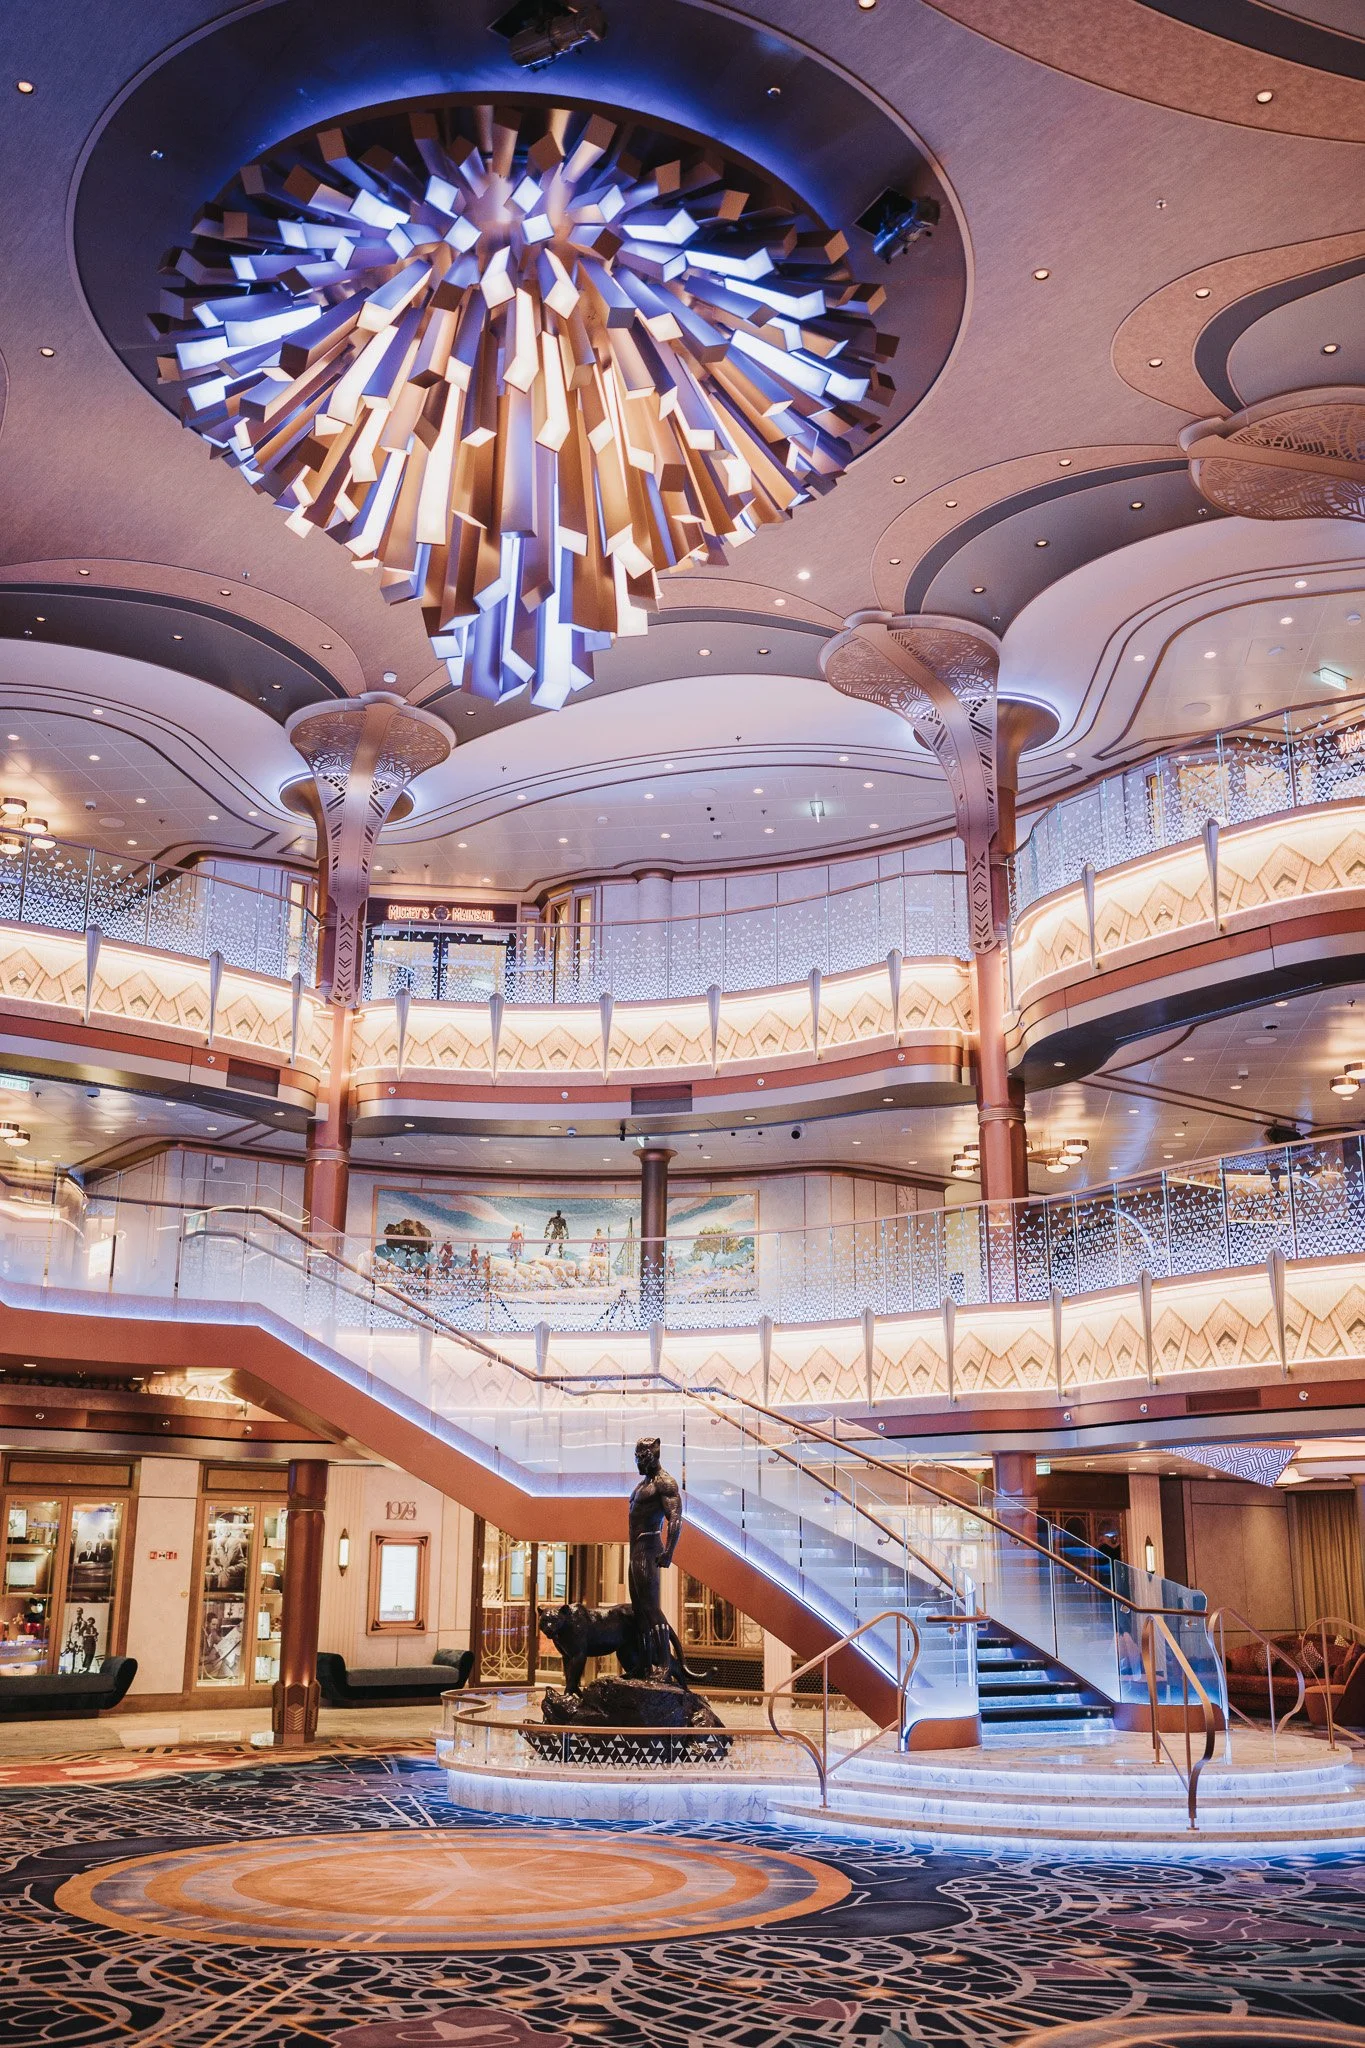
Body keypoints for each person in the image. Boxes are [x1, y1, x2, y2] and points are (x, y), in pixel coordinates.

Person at [627, 1436, 682, 1678]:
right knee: (639, 1611)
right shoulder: (642, 1485)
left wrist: (669, 1552)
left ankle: (664, 1665)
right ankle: (644, 1664)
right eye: (636, 1458)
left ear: (652, 1458)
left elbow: (676, 1518)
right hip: (635, 1551)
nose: (637, 1463)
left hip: (649, 1548)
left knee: (651, 1608)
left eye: (641, 1458)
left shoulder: (665, 1483)